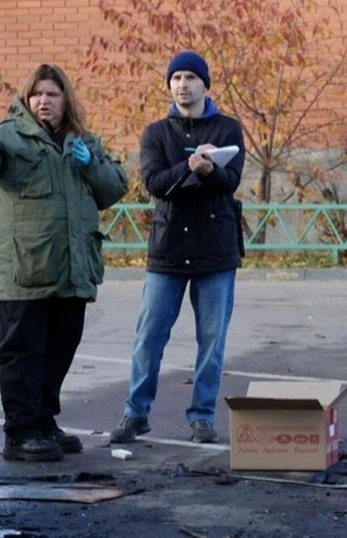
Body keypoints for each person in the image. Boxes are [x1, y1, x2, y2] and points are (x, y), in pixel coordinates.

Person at [0, 64, 128, 462]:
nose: (43, 102)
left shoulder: (82, 141)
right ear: (26, 100)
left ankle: (44, 422)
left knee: (60, 349)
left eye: (51, 94)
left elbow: (114, 188)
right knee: (23, 353)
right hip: (26, 269)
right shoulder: (7, 136)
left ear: (65, 99)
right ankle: (20, 433)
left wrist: (90, 165)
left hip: (72, 268)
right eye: (36, 95)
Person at [109, 51, 246, 445]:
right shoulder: (156, 133)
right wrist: (190, 169)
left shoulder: (227, 128)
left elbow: (230, 180)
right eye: (176, 78)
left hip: (215, 250)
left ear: (206, 84)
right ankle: (135, 413)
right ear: (169, 85)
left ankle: (202, 416)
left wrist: (212, 171)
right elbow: (154, 183)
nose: (182, 84)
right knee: (149, 336)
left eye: (190, 77)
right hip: (167, 249)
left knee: (212, 340)